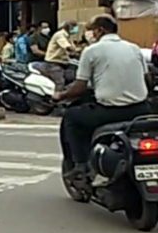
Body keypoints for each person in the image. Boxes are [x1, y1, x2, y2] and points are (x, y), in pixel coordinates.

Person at [54, 15, 151, 183]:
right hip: (140, 109)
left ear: (100, 30)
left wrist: (60, 95)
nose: (89, 34)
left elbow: (79, 87)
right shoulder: (134, 48)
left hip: (110, 112)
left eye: (91, 30)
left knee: (72, 117)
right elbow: (147, 79)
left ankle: (81, 165)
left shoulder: (92, 51)